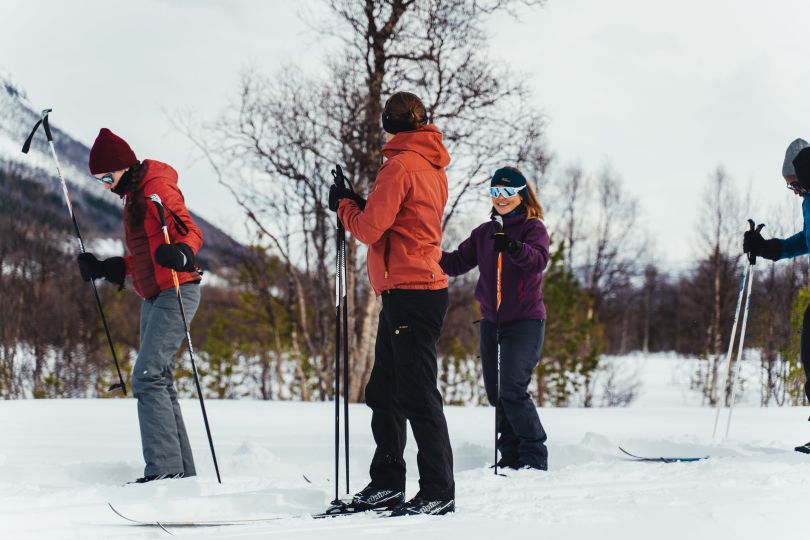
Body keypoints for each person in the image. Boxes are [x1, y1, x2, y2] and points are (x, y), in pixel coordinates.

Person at [329, 91, 455, 515]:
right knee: (385, 391)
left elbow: (368, 230)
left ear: (389, 124)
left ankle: (438, 491)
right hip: (409, 291)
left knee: (416, 394)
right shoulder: (430, 164)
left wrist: (345, 205)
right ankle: (388, 483)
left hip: (412, 292)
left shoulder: (399, 165)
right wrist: (358, 203)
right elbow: (400, 222)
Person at [77, 128, 204, 483]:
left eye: (106, 177)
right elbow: (143, 259)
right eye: (99, 180)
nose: (104, 185)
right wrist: (106, 268)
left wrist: (182, 252)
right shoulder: (132, 196)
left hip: (177, 290)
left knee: (146, 377)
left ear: (122, 167)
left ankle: (164, 472)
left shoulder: (155, 188)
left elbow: (190, 231)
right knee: (158, 378)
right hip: (153, 294)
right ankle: (181, 473)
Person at [440, 167, 550, 470]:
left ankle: (533, 458)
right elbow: (455, 263)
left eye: (507, 193)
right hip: (491, 322)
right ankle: (511, 457)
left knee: (512, 388)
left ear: (520, 195)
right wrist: (425, 253)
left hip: (525, 321)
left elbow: (538, 261)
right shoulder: (484, 233)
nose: (500, 198)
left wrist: (514, 247)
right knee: (496, 393)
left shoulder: (533, 227)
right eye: (495, 192)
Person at [744, 138, 810, 453]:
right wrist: (771, 248)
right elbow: (807, 240)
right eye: (792, 188)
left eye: (796, 184)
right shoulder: (809, 199)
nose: (796, 192)